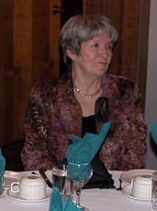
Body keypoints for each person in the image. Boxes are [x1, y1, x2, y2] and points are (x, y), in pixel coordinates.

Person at [21, 14, 147, 173]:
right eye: (95, 45)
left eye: (108, 47)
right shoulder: (46, 95)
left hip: (113, 190)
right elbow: (35, 156)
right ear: (72, 52)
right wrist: (67, 184)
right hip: (62, 189)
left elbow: (136, 152)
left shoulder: (125, 92)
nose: (105, 54)